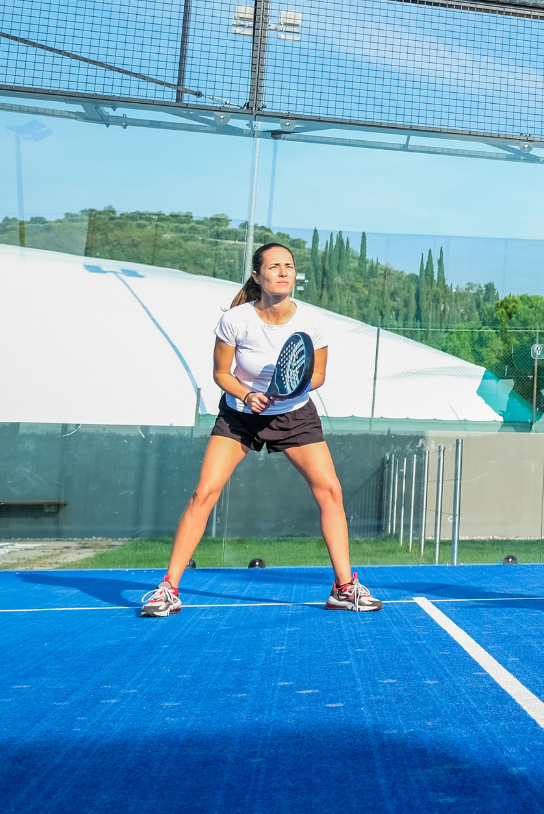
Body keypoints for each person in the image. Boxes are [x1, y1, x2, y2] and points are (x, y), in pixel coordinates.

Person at [138, 242, 382, 617]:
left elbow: (317, 374)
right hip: (240, 416)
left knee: (330, 491)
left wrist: (292, 389)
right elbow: (222, 373)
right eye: (274, 266)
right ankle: (168, 589)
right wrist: (248, 395)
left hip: (294, 416)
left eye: (289, 266)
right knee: (204, 493)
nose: (284, 272)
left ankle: (343, 587)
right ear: (257, 275)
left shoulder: (312, 323)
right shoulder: (235, 320)